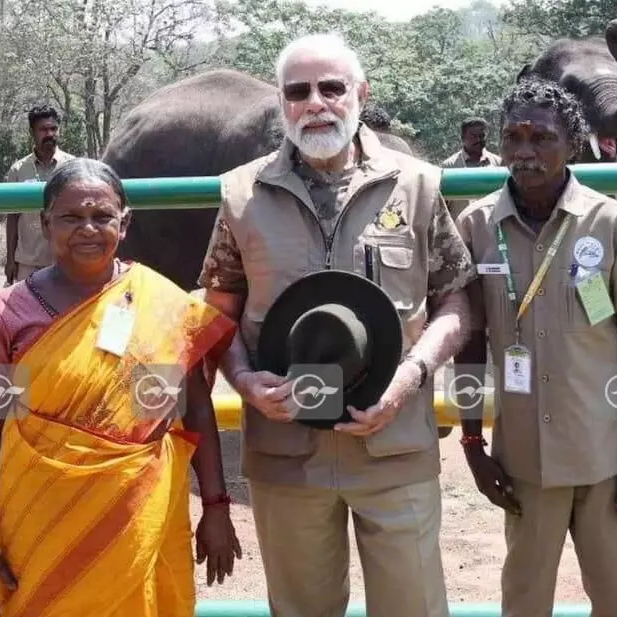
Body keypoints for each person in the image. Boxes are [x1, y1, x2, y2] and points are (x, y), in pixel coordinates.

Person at [198, 33, 475, 617]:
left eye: (332, 87)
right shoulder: (242, 195)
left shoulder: (417, 184)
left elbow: (455, 304)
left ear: (360, 93)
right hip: (285, 452)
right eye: (298, 91)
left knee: (414, 608)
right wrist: (245, 382)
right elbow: (217, 312)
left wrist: (412, 376)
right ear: (281, 103)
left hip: (394, 446)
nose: (315, 103)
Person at [0, 158, 243, 617]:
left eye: (102, 216)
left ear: (125, 223)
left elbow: (194, 409)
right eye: (71, 217)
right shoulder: (11, 315)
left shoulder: (161, 304)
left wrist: (216, 505)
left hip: (138, 520)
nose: (87, 229)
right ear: (44, 222)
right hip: (38, 525)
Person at [453, 78, 617, 617]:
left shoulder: (612, 223)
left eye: (542, 138)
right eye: (514, 137)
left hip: (605, 460)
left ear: (573, 143)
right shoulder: (477, 226)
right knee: (524, 601)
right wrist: (473, 445)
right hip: (523, 464)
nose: (525, 151)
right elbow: (469, 343)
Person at [3, 105, 75, 285]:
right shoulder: (18, 170)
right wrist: (10, 260)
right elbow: (12, 218)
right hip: (28, 262)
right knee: (28, 311)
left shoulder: (73, 166)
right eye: (43, 129)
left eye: (53, 129)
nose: (49, 134)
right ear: (32, 133)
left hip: (64, 260)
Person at [441, 117, 502, 220]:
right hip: (461, 231)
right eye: (473, 136)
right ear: (462, 137)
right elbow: (442, 207)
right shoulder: (449, 167)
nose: (478, 140)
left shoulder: (498, 164)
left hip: (491, 230)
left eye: (481, 136)